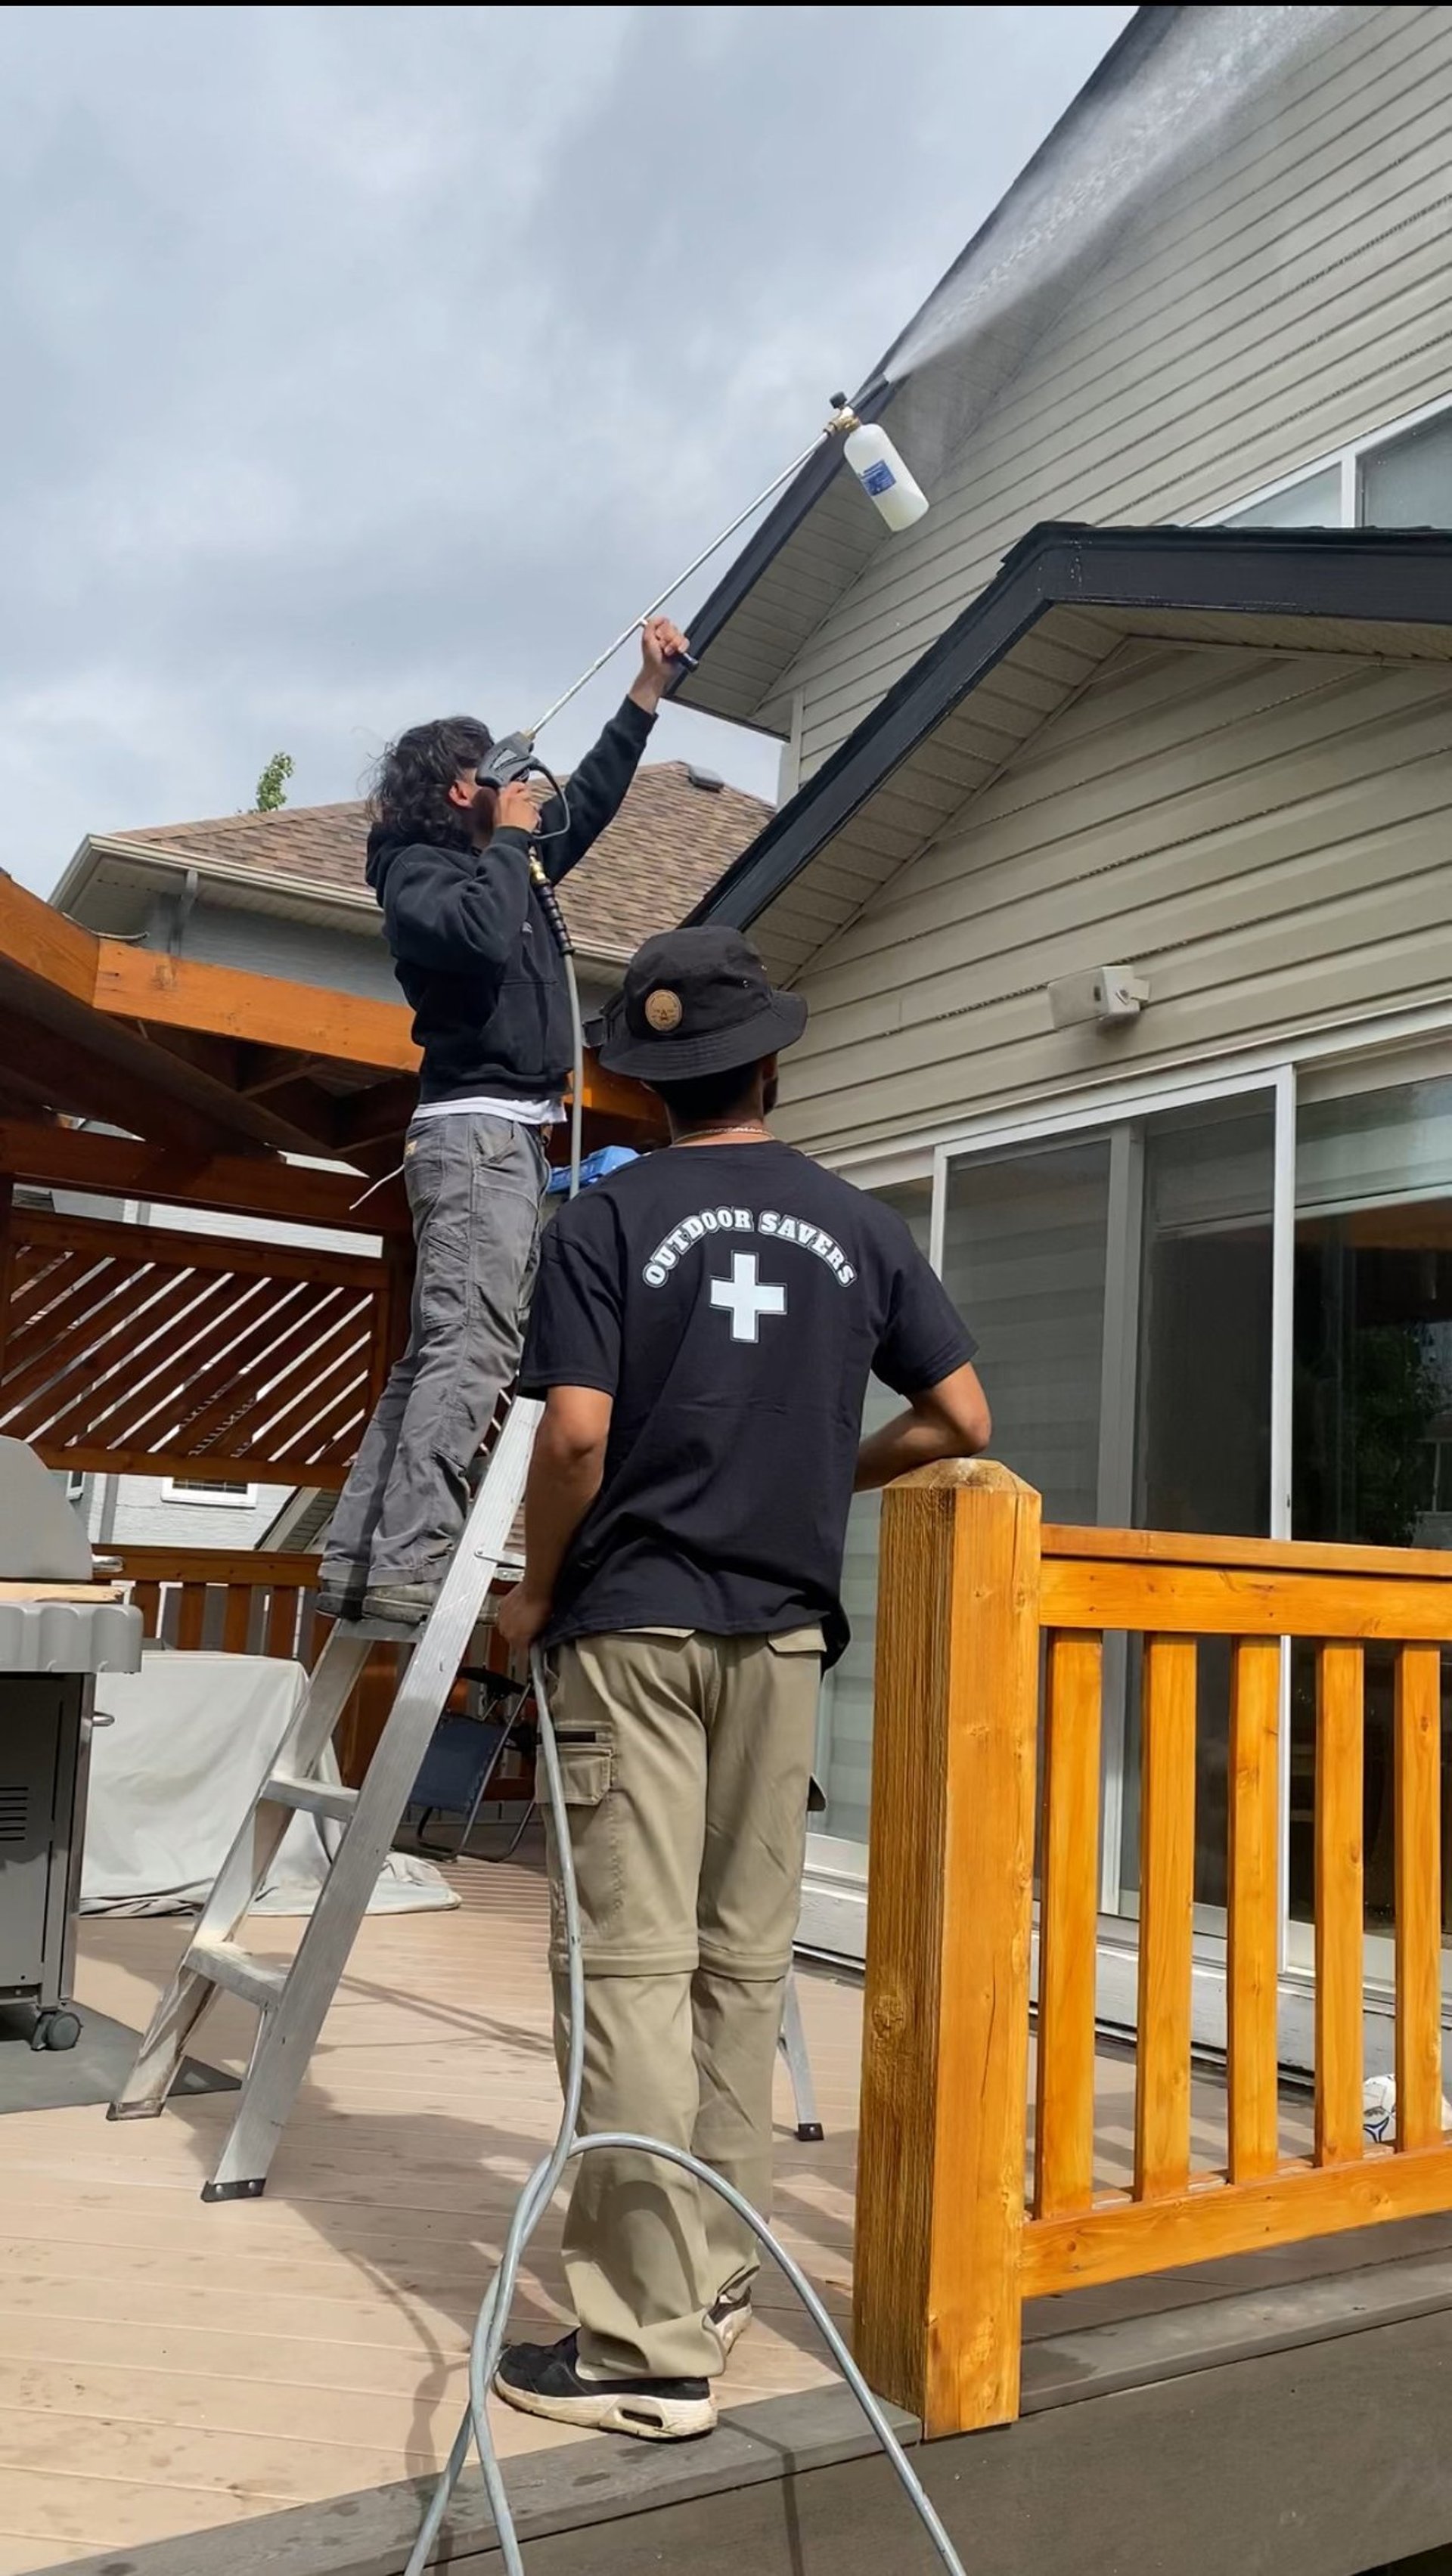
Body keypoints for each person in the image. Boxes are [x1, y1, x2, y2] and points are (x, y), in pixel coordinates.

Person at [492, 924, 990, 2441]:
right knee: (738, 1968)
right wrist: (819, 1477)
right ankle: (709, 2287)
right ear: (771, 1062)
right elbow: (962, 1415)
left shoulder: (606, 1219)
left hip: (632, 1629)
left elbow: (575, 1436)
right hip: (783, 1638)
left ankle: (643, 2355)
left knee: (631, 1975)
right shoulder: (861, 1225)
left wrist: (531, 1593)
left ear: (644, 1089)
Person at [319, 615, 690, 1628]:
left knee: (438, 1354)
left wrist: (644, 694)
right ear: (458, 790)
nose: (517, 787)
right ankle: (406, 1560)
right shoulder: (419, 875)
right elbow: (481, 942)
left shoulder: (506, 863)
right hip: (475, 1135)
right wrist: (517, 833)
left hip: (508, 1140)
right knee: (471, 1355)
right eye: (495, 774)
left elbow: (597, 805)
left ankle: (362, 1558)